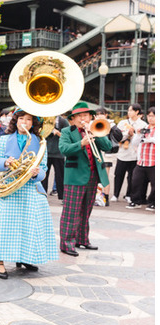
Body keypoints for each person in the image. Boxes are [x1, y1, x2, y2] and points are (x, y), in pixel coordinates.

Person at [0, 109, 58, 279]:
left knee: (29, 225)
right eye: (21, 118)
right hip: (10, 187)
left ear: (33, 123)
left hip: (31, 189)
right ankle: (0, 262)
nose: (25, 122)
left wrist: (37, 172)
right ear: (15, 121)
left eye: (29, 119)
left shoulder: (40, 141)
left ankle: (24, 258)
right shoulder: (5, 139)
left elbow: (44, 170)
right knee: (5, 225)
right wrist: (6, 162)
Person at [58, 102, 113, 256]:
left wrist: (94, 133)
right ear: (73, 118)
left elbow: (108, 146)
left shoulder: (96, 129)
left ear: (90, 117)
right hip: (74, 177)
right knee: (71, 212)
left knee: (86, 210)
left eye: (86, 115)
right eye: (80, 116)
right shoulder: (67, 131)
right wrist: (80, 143)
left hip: (93, 176)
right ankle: (66, 244)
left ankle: (82, 239)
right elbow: (64, 149)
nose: (83, 118)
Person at [113, 104, 147, 203]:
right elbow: (118, 137)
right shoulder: (122, 123)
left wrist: (134, 134)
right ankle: (115, 194)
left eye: (131, 110)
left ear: (137, 112)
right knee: (118, 175)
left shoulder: (143, 124)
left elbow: (142, 139)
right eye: (128, 110)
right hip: (122, 154)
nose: (129, 112)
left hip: (135, 155)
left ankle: (128, 194)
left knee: (132, 177)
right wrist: (127, 133)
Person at [126, 107, 155, 211]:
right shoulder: (144, 127)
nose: (151, 118)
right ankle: (135, 201)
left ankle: (153, 203)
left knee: (155, 184)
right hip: (141, 160)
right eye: (149, 116)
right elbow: (135, 143)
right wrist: (138, 134)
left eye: (153, 116)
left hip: (154, 161)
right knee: (136, 181)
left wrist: (149, 139)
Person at [94, 108, 123, 206]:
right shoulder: (93, 123)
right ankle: (97, 197)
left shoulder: (111, 124)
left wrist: (111, 127)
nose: (99, 116)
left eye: (101, 114)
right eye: (97, 114)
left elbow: (120, 136)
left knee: (105, 176)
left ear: (106, 115)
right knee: (96, 176)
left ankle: (105, 198)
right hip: (97, 152)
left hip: (107, 153)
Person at [41, 115, 70, 201]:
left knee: (60, 175)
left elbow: (67, 136)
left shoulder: (63, 121)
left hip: (59, 152)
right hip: (46, 152)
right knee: (43, 176)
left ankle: (62, 196)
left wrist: (58, 133)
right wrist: (49, 132)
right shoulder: (44, 120)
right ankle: (42, 195)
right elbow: (40, 134)